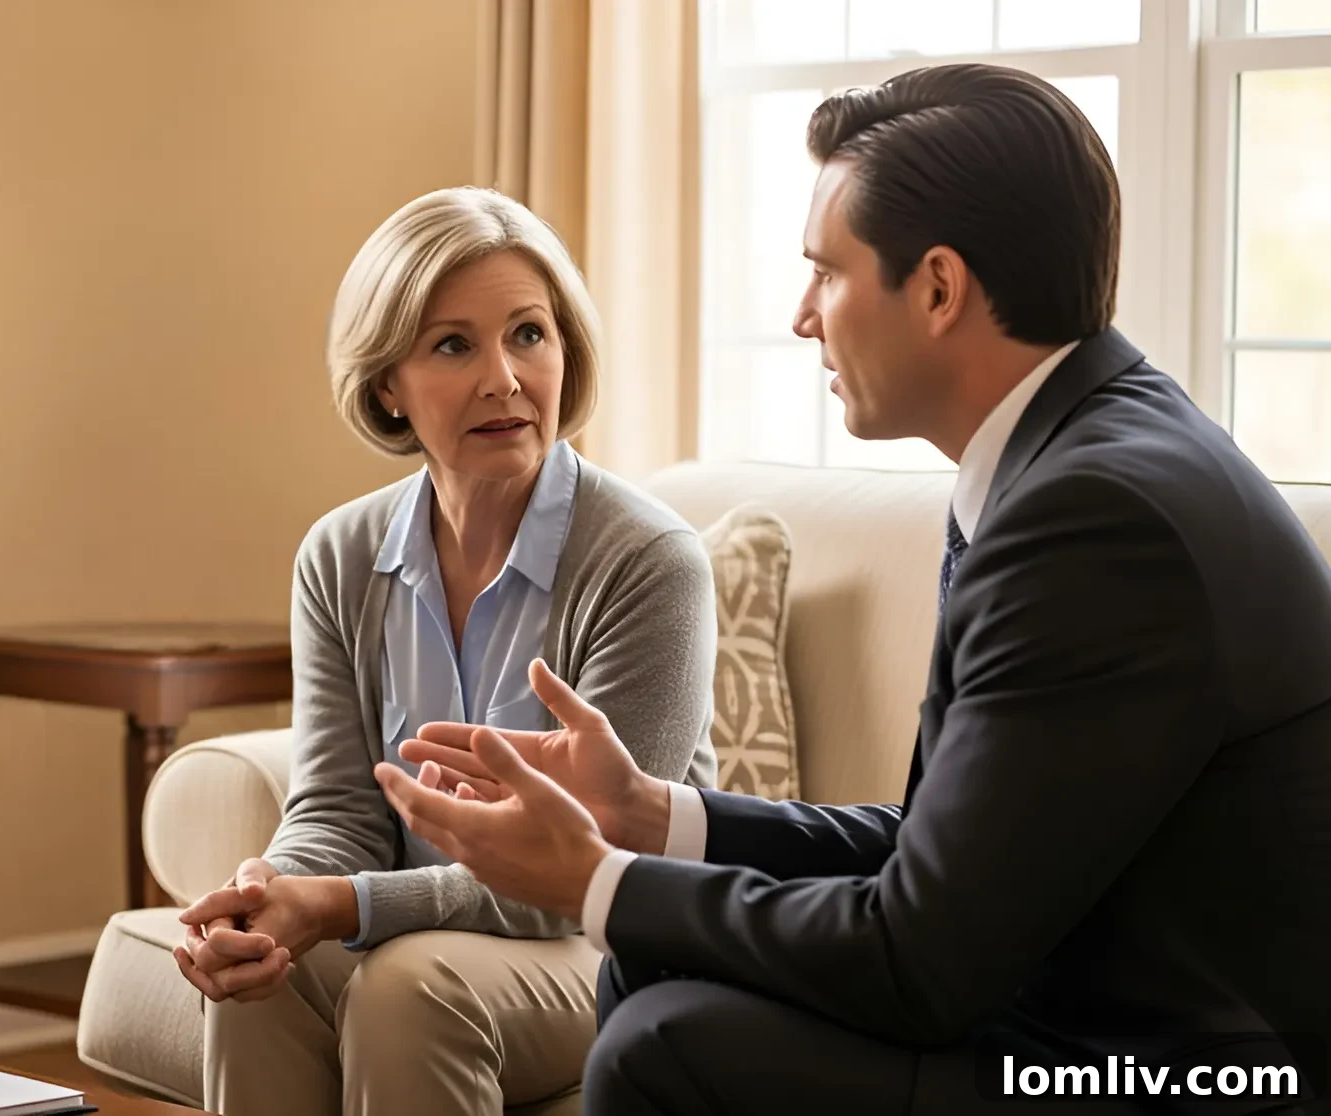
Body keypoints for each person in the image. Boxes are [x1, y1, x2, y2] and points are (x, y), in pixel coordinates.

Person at [377, 64, 1331, 1115]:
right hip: (1086, 1014)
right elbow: (947, 859)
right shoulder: (1065, 455)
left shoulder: (1094, 520)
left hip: (1194, 1070)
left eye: (824, 274)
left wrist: (592, 882)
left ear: (934, 288)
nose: (801, 317)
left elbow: (921, 958)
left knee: (666, 1037)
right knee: (651, 973)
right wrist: (649, 817)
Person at [171, 185, 721, 1116]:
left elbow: (587, 864)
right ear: (388, 382)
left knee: (409, 987)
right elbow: (337, 809)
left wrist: (344, 906)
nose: (504, 378)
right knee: (260, 982)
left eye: (529, 334)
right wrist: (274, 887)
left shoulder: (648, 560)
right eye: (454, 344)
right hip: (438, 931)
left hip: (617, 936)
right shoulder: (340, 557)